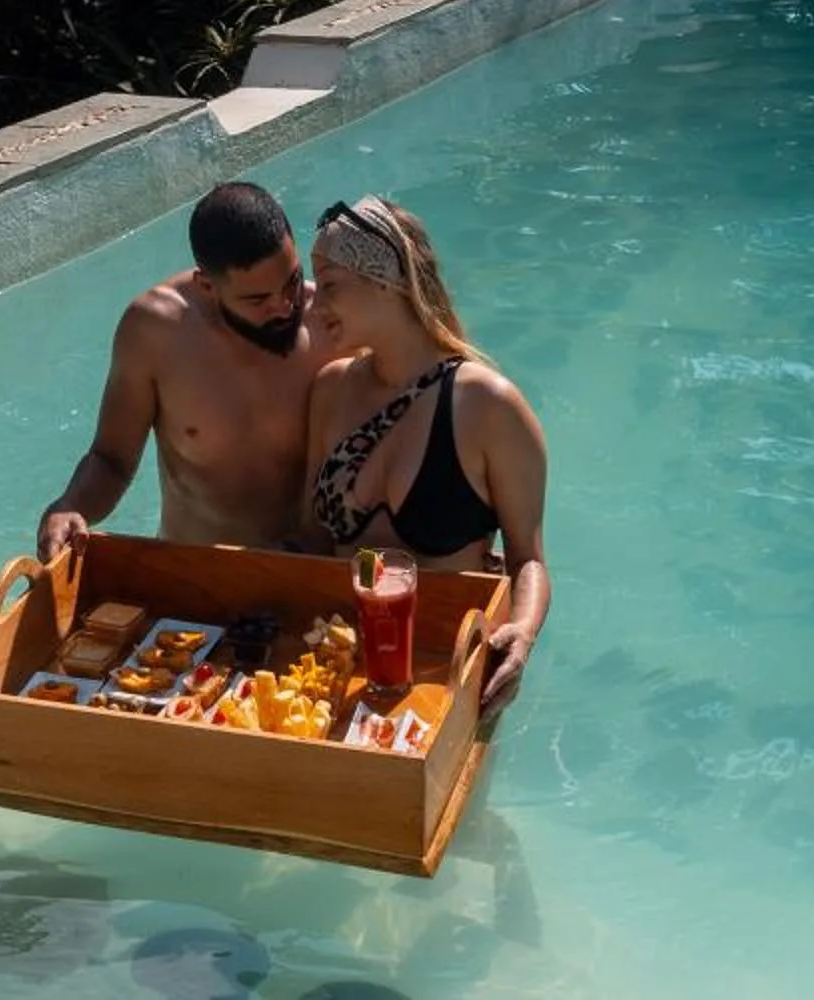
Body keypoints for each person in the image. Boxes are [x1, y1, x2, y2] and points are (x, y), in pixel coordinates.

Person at [301, 194, 549, 718]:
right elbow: (310, 542)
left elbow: (527, 559)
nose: (315, 306)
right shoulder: (330, 390)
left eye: (330, 287)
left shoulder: (488, 406)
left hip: (450, 676)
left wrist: (521, 636)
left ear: (386, 283)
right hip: (338, 670)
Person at [36, 181, 318, 558]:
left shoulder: (331, 323)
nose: (285, 307)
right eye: (258, 299)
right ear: (206, 286)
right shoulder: (156, 332)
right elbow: (111, 460)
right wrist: (71, 506)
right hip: (192, 577)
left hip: (310, 573)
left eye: (293, 280)